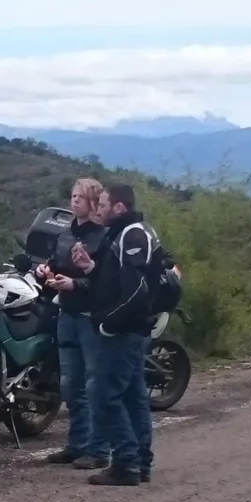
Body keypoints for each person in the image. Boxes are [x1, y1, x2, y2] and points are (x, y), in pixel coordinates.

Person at [83, 182, 165, 486]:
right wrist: (92, 270)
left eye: (103, 205)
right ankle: (139, 460)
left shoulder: (133, 235)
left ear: (119, 207)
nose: (98, 210)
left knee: (103, 395)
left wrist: (109, 323)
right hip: (131, 328)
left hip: (126, 330)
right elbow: (116, 281)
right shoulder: (124, 233)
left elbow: (136, 291)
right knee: (132, 396)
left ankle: (126, 462)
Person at [36, 178, 114, 470]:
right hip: (66, 313)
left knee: (95, 382)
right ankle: (77, 443)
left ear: (94, 201)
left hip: (90, 316)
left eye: (81, 197)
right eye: (72, 196)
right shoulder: (64, 234)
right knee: (71, 383)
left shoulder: (104, 237)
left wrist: (77, 283)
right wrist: (46, 272)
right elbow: (55, 266)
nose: (75, 201)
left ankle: (99, 448)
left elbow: (106, 278)